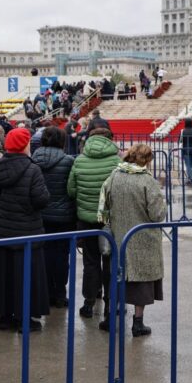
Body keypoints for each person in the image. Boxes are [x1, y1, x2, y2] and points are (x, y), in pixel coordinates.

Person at [0, 128, 51, 331]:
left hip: (1, 231)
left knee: (3, 275)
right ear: (25, 145)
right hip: (27, 231)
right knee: (26, 276)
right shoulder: (33, 170)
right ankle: (24, 319)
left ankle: (4, 318)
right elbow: (41, 199)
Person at [99, 144, 167, 334]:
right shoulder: (148, 181)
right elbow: (157, 214)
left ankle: (111, 318)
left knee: (118, 277)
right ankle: (138, 323)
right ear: (147, 160)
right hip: (143, 239)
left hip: (119, 235)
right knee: (141, 281)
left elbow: (106, 201)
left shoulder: (115, 175)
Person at [67, 127, 122, 320]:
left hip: (86, 219)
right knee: (110, 263)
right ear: (110, 140)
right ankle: (110, 305)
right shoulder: (117, 161)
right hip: (109, 221)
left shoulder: (79, 160)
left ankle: (88, 303)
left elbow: (71, 190)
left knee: (90, 262)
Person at [33, 126, 77, 307]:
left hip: (39, 214)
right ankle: (59, 292)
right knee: (61, 256)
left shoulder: (33, 159)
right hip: (63, 216)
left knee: (42, 255)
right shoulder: (68, 161)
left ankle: (44, 292)